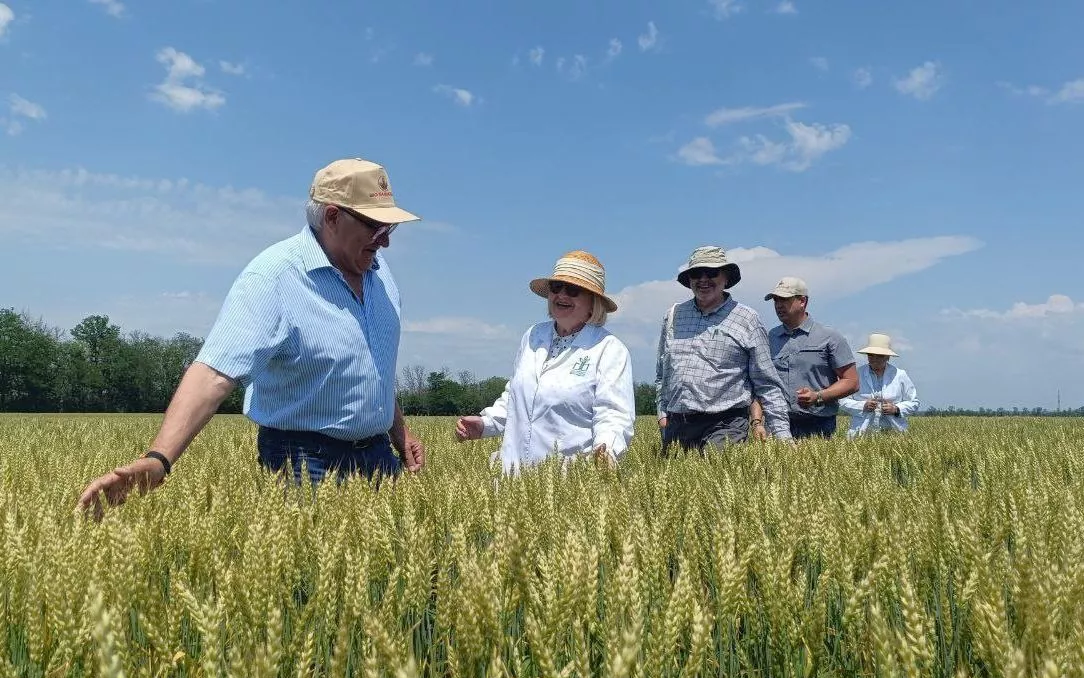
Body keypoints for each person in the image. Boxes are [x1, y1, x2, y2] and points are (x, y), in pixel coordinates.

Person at [77, 157, 427, 517]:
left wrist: (400, 434)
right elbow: (214, 373)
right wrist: (159, 459)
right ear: (333, 217)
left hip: (380, 457)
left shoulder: (381, 275)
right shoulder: (274, 276)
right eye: (375, 227)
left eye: (390, 227)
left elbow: (372, 366)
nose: (385, 241)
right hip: (306, 464)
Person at [454, 251, 635, 474]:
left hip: (571, 478)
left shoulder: (609, 349)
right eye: (556, 287)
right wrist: (486, 424)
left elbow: (613, 414)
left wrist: (606, 452)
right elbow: (515, 396)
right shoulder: (533, 336)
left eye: (573, 290)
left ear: (593, 302)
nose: (562, 295)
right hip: (513, 475)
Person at [655, 245, 793, 452]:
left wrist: (782, 436)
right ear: (689, 279)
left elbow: (767, 383)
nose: (703, 279)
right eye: (696, 273)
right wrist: (662, 414)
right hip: (678, 425)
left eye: (711, 272)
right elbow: (662, 374)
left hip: (725, 425)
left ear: (726, 278)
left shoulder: (747, 319)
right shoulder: (673, 316)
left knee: (714, 469)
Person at [749, 277, 858, 440]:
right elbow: (761, 383)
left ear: (802, 301)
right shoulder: (769, 338)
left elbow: (852, 381)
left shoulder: (830, 337)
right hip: (778, 423)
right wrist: (757, 421)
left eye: (784, 299)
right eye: (776, 300)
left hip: (819, 424)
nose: (778, 305)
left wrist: (818, 396)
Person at [839, 333, 920, 438]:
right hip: (861, 433)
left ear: (888, 357)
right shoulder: (856, 374)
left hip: (894, 433)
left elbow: (914, 402)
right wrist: (863, 406)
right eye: (871, 355)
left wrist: (896, 409)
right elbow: (842, 401)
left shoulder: (900, 375)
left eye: (880, 356)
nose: (875, 358)